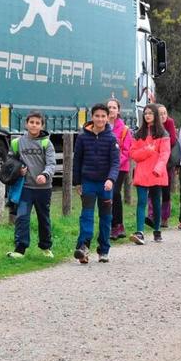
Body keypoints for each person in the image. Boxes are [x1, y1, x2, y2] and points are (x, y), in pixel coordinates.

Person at [73, 103, 120, 264]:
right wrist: (77, 182)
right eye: (97, 116)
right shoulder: (82, 137)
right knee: (86, 216)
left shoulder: (111, 138)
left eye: (103, 116)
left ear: (108, 118)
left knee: (105, 217)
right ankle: (83, 248)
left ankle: (104, 250)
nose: (100, 119)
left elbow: (115, 163)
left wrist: (110, 179)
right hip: (88, 182)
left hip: (105, 185)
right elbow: (77, 160)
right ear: (92, 117)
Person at [6, 111, 56, 259]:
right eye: (31, 122)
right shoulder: (17, 143)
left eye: (37, 123)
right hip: (25, 188)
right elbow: (10, 164)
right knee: (22, 218)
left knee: (44, 218)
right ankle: (20, 249)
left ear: (42, 125)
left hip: (43, 189)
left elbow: (52, 164)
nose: (34, 125)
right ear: (26, 124)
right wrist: (17, 171)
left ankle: (46, 248)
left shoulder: (47, 143)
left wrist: (45, 175)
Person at [129, 103, 170, 244]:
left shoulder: (163, 134)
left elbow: (165, 154)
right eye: (145, 113)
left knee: (156, 203)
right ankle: (140, 232)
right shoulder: (138, 133)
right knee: (141, 202)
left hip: (156, 174)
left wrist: (158, 169)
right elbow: (133, 154)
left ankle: (157, 230)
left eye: (150, 113)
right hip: (142, 173)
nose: (147, 115)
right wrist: (148, 150)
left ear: (156, 116)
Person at [107, 98, 133, 240]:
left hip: (120, 167)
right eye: (109, 107)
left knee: (115, 192)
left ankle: (117, 225)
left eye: (114, 107)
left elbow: (126, 151)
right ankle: (112, 225)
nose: (111, 110)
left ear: (118, 110)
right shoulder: (102, 127)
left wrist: (115, 164)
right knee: (107, 195)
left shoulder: (124, 130)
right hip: (104, 167)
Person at [155, 104, 178, 227]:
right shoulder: (152, 123)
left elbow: (173, 140)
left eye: (165, 113)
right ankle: (152, 214)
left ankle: (165, 217)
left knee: (166, 189)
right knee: (153, 188)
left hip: (167, 162)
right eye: (160, 113)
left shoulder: (169, 123)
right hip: (153, 160)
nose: (163, 116)